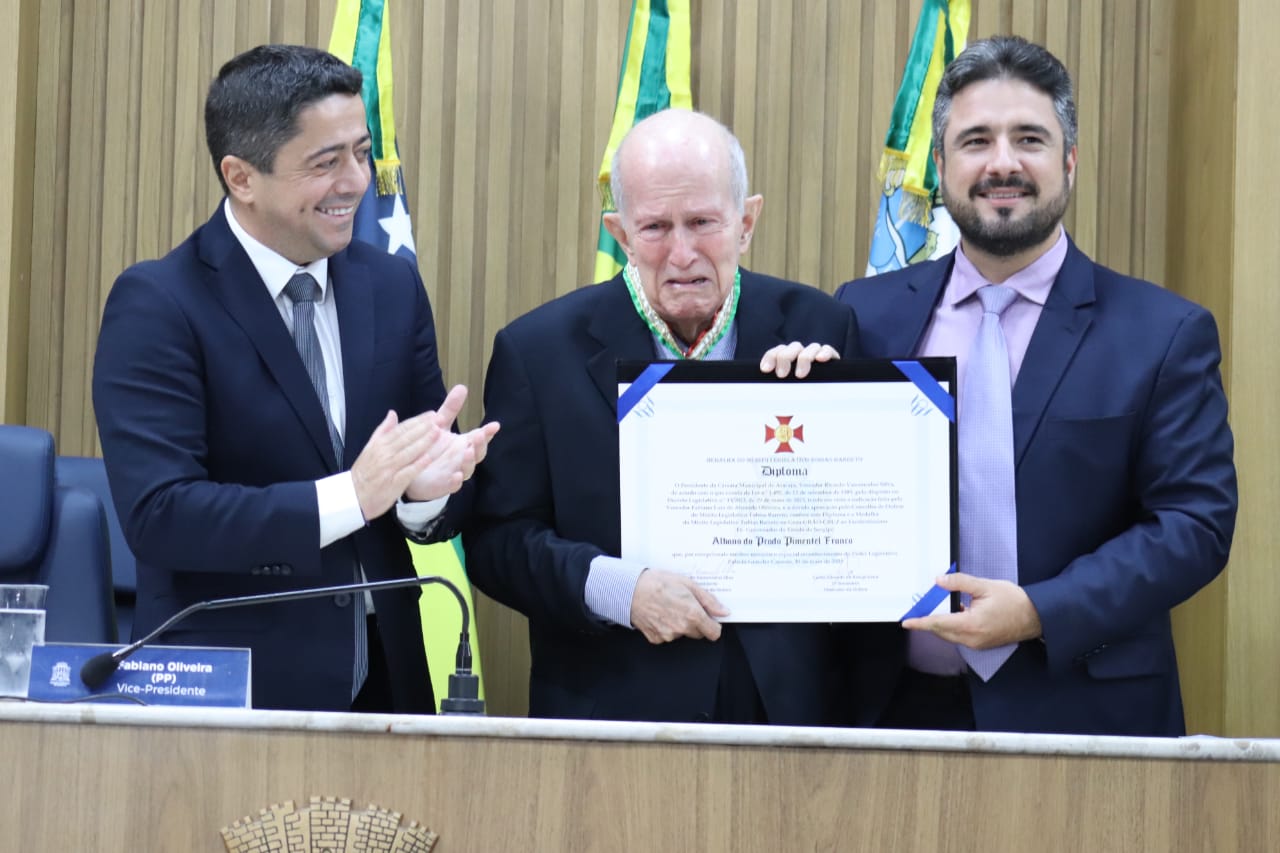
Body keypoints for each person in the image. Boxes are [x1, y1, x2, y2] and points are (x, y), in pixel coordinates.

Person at [829, 36, 1237, 735]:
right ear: (941, 163)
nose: (1003, 163)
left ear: (1069, 162)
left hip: (1084, 711)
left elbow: (1193, 525)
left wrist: (1040, 609)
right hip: (887, 711)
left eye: (1030, 139)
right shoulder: (861, 314)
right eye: (976, 140)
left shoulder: (1162, 332)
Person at [92, 45, 498, 713]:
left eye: (362, 153)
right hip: (230, 694)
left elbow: (428, 486)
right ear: (241, 177)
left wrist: (421, 496)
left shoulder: (390, 285)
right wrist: (352, 496)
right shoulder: (161, 303)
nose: (356, 181)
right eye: (325, 162)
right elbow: (161, 513)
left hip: (389, 686)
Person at [463, 109, 858, 724]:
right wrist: (619, 591)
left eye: (703, 222)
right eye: (654, 228)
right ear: (619, 232)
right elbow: (498, 543)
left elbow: (867, 521)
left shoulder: (822, 328)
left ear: (746, 221)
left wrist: (834, 417)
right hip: (612, 709)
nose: (682, 253)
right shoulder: (537, 350)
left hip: (790, 711)